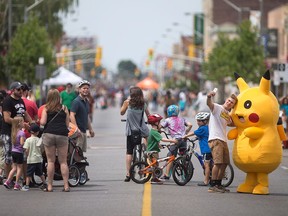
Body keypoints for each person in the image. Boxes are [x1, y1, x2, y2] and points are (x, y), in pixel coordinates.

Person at [1, 81, 32, 187]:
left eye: (22, 89)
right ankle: (8, 179)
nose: (21, 91)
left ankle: (20, 179)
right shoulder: (7, 101)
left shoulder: (21, 101)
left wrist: (32, 123)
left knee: (21, 157)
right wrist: (22, 124)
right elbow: (6, 118)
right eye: (18, 89)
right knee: (9, 158)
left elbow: (25, 113)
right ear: (13, 90)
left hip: (19, 133)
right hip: (8, 132)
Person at [206, 90, 237, 193]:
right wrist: (209, 96)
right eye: (229, 100)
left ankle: (218, 184)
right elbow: (209, 104)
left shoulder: (227, 114)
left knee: (224, 164)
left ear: (232, 106)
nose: (229, 102)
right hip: (215, 139)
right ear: (226, 100)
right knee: (218, 163)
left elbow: (231, 123)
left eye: (232, 102)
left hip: (223, 140)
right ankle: (212, 185)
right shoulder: (217, 108)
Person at [40, 88, 70, 192]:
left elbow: (43, 122)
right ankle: (66, 186)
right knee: (63, 162)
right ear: (58, 97)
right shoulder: (64, 108)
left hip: (49, 134)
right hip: (62, 135)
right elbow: (67, 124)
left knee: (51, 161)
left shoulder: (46, 108)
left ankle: (49, 186)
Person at [120, 86, 150, 182]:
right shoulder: (143, 104)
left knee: (129, 152)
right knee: (146, 136)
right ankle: (145, 152)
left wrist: (126, 104)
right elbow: (148, 116)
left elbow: (121, 113)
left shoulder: (127, 103)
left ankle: (128, 174)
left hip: (131, 131)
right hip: (142, 129)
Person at [160, 104, 192, 180]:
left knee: (170, 156)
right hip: (183, 140)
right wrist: (186, 132)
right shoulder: (182, 119)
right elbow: (190, 125)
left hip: (175, 140)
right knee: (183, 155)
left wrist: (159, 130)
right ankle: (185, 171)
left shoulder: (168, 120)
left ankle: (167, 174)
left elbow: (160, 127)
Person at [146, 113, 178, 184]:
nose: (160, 124)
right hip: (152, 151)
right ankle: (153, 178)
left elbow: (155, 141)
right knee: (155, 165)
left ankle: (155, 178)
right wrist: (172, 140)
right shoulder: (154, 132)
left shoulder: (153, 131)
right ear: (156, 123)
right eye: (159, 122)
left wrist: (160, 146)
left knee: (155, 165)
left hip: (153, 150)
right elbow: (162, 139)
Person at [183, 112, 211, 186]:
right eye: (197, 120)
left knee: (206, 165)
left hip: (206, 149)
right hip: (210, 148)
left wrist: (185, 136)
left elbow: (194, 133)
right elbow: (201, 135)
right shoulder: (207, 127)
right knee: (209, 164)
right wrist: (196, 138)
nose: (197, 122)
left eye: (199, 121)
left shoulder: (202, 128)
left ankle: (206, 181)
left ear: (205, 121)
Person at [70, 80, 95, 153]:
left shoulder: (86, 101)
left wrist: (90, 129)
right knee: (76, 152)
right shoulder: (76, 101)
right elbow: (72, 115)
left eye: (87, 88)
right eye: (84, 88)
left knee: (80, 153)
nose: (86, 90)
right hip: (78, 132)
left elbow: (87, 116)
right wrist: (76, 129)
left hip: (83, 131)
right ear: (79, 89)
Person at [22, 123, 47, 191]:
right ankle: (45, 183)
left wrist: (27, 155)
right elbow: (42, 149)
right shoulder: (39, 140)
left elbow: (26, 150)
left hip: (31, 159)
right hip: (39, 159)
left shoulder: (28, 140)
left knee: (29, 174)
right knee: (40, 173)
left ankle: (27, 185)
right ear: (38, 132)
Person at [3, 116, 26, 190]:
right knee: (19, 168)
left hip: (13, 151)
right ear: (19, 123)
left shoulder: (13, 132)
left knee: (14, 168)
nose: (24, 123)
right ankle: (16, 184)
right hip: (19, 152)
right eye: (22, 122)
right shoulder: (21, 133)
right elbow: (22, 143)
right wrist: (26, 142)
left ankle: (8, 181)